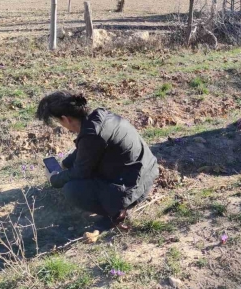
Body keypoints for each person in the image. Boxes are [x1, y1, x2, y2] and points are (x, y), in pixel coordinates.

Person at [36, 91, 159, 231]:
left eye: (59, 121)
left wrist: (55, 179)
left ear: (65, 119)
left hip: (134, 189)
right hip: (147, 173)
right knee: (84, 173)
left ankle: (116, 212)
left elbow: (80, 172)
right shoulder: (99, 116)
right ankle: (116, 203)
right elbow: (86, 151)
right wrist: (65, 163)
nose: (61, 125)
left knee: (72, 190)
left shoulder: (92, 136)